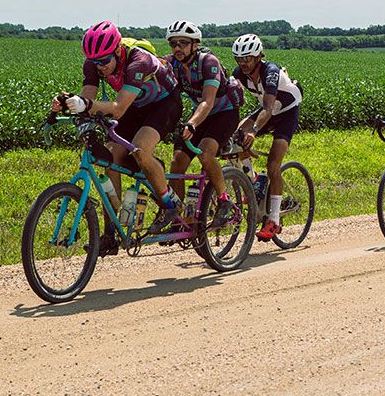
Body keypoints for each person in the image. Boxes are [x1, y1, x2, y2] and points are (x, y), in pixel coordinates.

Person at [52, 20, 183, 253]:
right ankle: (110, 232)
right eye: (95, 62)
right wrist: (71, 105)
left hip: (164, 104)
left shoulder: (138, 61)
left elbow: (119, 108)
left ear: (118, 51)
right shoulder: (94, 63)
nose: (100, 67)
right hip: (135, 105)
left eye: (104, 61)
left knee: (141, 149)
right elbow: (88, 97)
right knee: (111, 160)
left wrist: (86, 105)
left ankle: (169, 204)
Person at [164, 20, 243, 228]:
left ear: (195, 44)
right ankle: (179, 215)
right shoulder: (173, 64)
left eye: (183, 43)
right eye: (173, 44)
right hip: (200, 114)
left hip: (224, 112)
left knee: (205, 153)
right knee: (177, 162)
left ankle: (224, 201)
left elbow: (208, 100)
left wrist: (191, 124)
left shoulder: (209, 62)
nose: (177, 48)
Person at [229, 33, 302, 242]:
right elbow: (234, 101)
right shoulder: (239, 73)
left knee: (273, 165)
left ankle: (274, 219)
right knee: (237, 136)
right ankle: (253, 181)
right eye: (239, 59)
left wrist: (254, 130)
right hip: (266, 110)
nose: (243, 63)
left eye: (247, 59)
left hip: (285, 112)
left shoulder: (271, 72)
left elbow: (269, 107)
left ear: (259, 56)